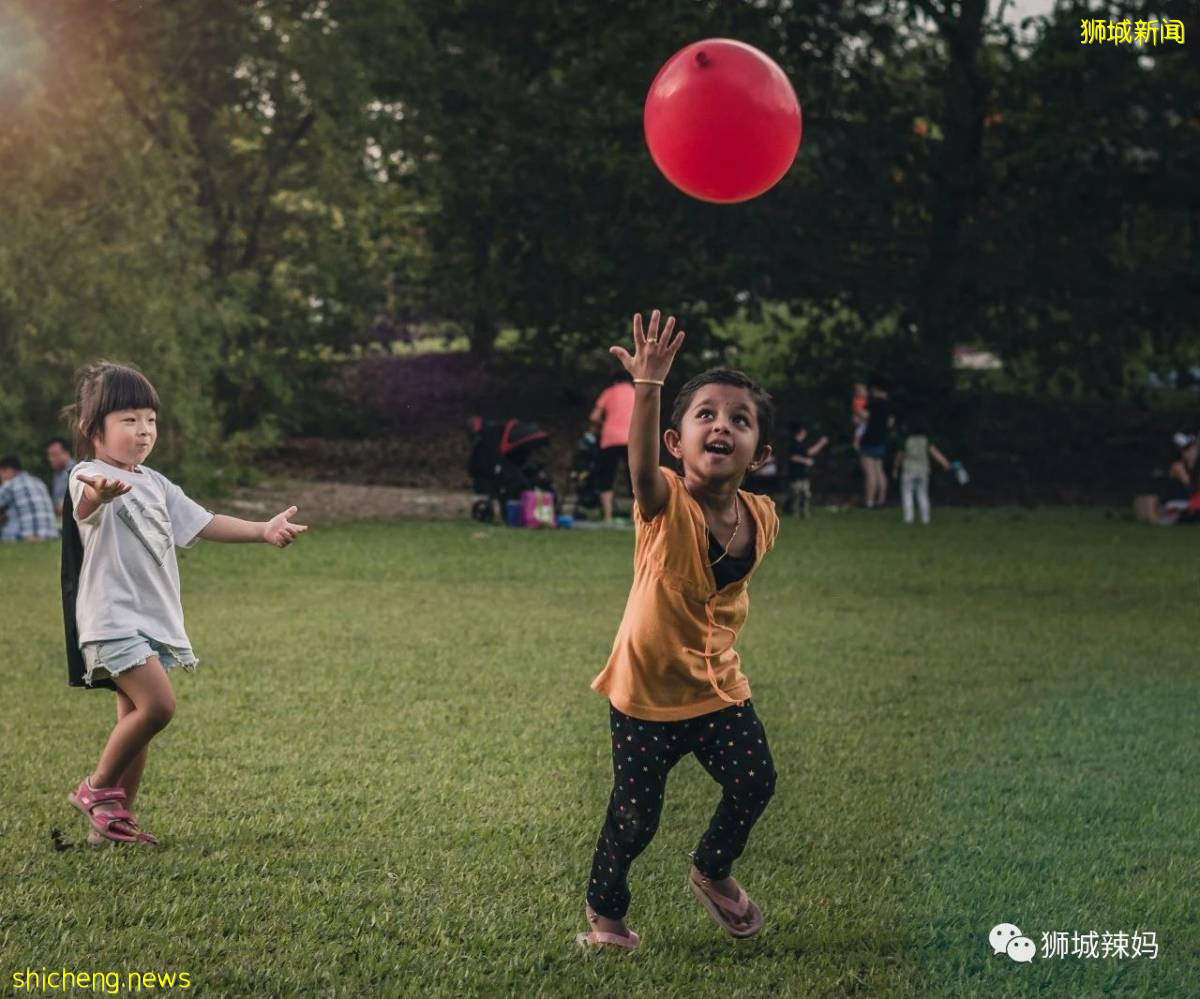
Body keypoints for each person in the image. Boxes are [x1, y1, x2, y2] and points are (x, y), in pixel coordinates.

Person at [579, 310, 781, 951]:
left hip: (717, 686)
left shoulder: (763, 517)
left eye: (740, 420)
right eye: (707, 416)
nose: (722, 425)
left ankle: (711, 870)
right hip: (645, 696)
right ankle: (607, 920)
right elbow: (637, 472)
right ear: (675, 443)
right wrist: (649, 385)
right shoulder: (663, 503)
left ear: (761, 453)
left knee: (756, 780)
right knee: (635, 819)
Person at [62, 361, 307, 847]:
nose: (143, 430)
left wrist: (262, 530)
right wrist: (99, 493)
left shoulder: (154, 482)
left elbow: (203, 521)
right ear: (94, 430)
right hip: (111, 618)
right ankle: (95, 789)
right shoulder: (89, 474)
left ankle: (112, 825)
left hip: (150, 619)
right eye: (128, 419)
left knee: (136, 717)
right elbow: (84, 505)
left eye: (150, 419)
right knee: (158, 706)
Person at [588, 370, 636, 524]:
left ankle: (607, 517)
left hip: (610, 438)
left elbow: (594, 417)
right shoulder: (636, 393)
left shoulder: (609, 392)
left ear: (615, 381)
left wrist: (604, 425)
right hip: (632, 438)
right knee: (634, 479)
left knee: (606, 476)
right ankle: (634, 518)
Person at [892, 419, 952, 525]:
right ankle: (925, 519)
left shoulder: (906, 440)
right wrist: (945, 463)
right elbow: (935, 453)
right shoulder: (926, 440)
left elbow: (899, 456)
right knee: (922, 494)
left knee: (907, 494)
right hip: (923, 471)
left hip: (908, 471)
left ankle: (908, 519)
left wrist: (896, 467)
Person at [0, 455, 59, 542]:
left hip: (24, 537)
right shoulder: (39, 482)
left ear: (7, 471)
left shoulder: (10, 485)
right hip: (51, 535)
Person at [858, 381, 892, 508]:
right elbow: (889, 423)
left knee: (870, 473)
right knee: (880, 471)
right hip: (882, 441)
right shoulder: (889, 406)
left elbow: (863, 416)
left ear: (877, 391)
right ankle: (881, 500)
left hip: (869, 440)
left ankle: (869, 501)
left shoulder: (873, 404)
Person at [786, 421, 829, 519]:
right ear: (800, 431)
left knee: (806, 494)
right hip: (795, 475)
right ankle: (795, 513)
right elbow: (792, 457)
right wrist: (805, 461)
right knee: (796, 495)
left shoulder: (801, 445)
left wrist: (821, 444)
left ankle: (805, 512)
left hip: (803, 475)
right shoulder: (793, 443)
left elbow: (809, 452)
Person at [46, 436, 78, 515]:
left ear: (66, 453)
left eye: (54, 455)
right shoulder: (57, 474)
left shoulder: (75, 471)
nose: (50, 459)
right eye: (49, 455)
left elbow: (67, 506)